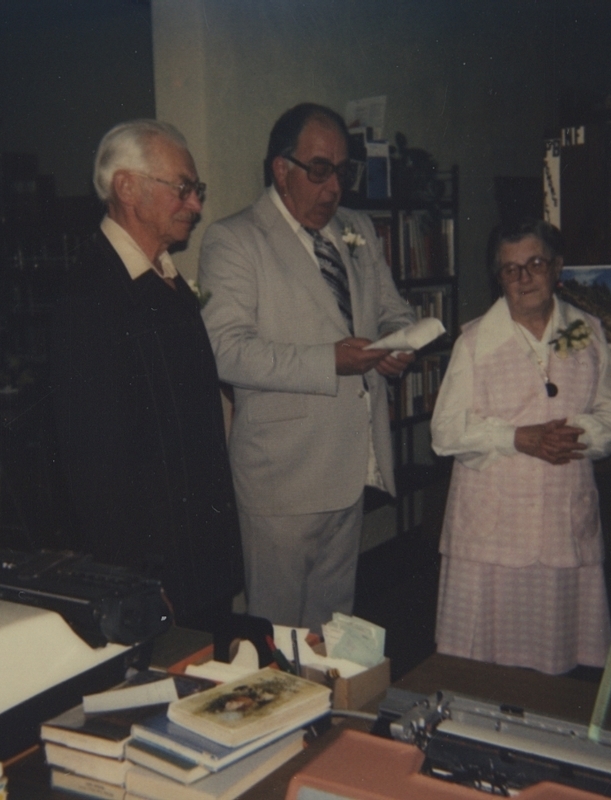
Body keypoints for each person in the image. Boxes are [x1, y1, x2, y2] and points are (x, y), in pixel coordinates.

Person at [198, 103, 416, 633]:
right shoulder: (235, 240)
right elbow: (225, 350)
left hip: (349, 466)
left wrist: (400, 343)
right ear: (281, 169)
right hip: (281, 479)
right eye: (320, 170)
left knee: (331, 629)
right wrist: (330, 361)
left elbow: (394, 309)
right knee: (275, 633)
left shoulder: (357, 229)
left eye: (343, 171)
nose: (334, 186)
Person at [50, 119, 243, 629]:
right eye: (183, 189)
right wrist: (138, 580)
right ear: (127, 188)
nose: (196, 205)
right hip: (155, 575)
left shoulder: (165, 281)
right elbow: (92, 469)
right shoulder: (90, 295)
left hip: (198, 559)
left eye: (196, 191)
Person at [430, 218, 611, 674]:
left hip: (561, 525)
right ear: (498, 278)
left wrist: (580, 432)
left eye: (535, 264)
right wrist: (515, 437)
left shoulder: (583, 332)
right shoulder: (475, 342)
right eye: (510, 269)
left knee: (554, 657)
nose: (523, 278)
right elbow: (444, 432)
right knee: (481, 664)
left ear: (556, 267)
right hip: (490, 532)